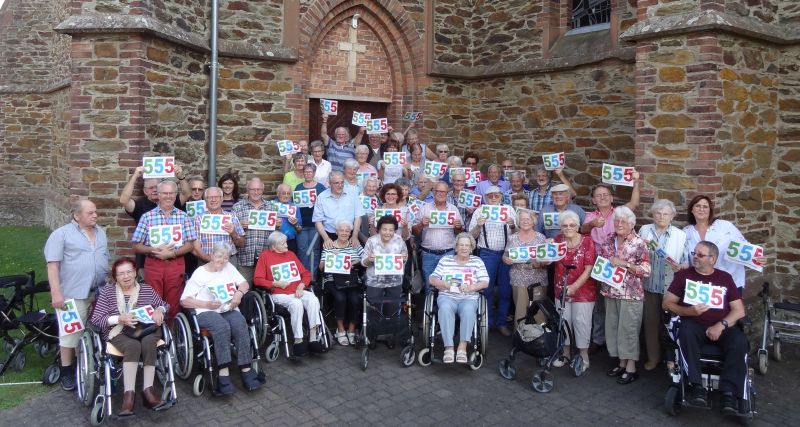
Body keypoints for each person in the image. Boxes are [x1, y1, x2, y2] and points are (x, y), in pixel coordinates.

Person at [662, 241, 748, 414]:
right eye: (694, 253)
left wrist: (721, 325)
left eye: (700, 255)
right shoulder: (684, 276)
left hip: (721, 326)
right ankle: (696, 385)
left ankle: (729, 392)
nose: (695, 256)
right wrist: (688, 311)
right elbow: (667, 303)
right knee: (685, 333)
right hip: (693, 324)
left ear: (712, 259)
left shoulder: (724, 278)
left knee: (739, 341)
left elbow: (739, 311)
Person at [44, 199, 109, 391]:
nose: (95, 215)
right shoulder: (61, 235)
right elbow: (52, 265)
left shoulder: (101, 233)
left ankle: (90, 363)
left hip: (98, 292)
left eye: (95, 212)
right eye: (90, 213)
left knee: (100, 328)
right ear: (77, 215)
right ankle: (66, 371)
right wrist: (56, 294)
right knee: (70, 334)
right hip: (72, 294)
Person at [180, 243, 263, 394]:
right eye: (219, 256)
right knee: (221, 327)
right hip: (206, 311)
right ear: (211, 255)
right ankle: (223, 373)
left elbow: (244, 284)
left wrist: (239, 294)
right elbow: (184, 300)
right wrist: (206, 303)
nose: (222, 260)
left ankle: (246, 368)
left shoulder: (229, 268)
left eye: (226, 257)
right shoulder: (200, 273)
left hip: (227, 308)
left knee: (240, 324)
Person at [90, 258, 168, 414]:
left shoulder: (146, 289)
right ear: (115, 277)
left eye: (129, 272)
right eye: (121, 274)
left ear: (135, 273)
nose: (126, 276)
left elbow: (163, 304)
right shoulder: (108, 292)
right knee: (133, 346)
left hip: (147, 330)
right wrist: (119, 319)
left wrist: (160, 309)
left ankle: (148, 392)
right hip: (119, 330)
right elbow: (97, 319)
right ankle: (129, 396)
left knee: (147, 343)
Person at [581, 176, 640, 352]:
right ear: (593, 200)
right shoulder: (590, 216)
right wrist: (592, 224)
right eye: (598, 195)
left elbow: (634, 203)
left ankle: (617, 343)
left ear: (612, 198)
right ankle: (599, 339)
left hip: (620, 264)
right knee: (600, 304)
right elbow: (582, 230)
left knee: (618, 304)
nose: (603, 198)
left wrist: (636, 182)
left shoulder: (620, 213)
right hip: (599, 265)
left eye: (606, 194)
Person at [598, 207, 651, 385]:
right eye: (617, 221)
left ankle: (631, 368)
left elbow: (646, 270)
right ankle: (621, 363)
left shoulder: (639, 243)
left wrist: (624, 264)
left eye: (624, 222)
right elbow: (603, 261)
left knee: (628, 330)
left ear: (632, 224)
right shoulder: (608, 239)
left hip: (630, 293)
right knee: (613, 328)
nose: (619, 224)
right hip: (610, 290)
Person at [132, 181, 198, 320]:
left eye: (171, 193)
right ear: (159, 195)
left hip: (176, 263)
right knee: (153, 300)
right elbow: (136, 245)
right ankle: (156, 335)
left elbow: (190, 244)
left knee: (173, 301)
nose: (168, 196)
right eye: (164, 193)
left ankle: (172, 335)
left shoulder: (183, 216)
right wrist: (153, 249)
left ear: (175, 195)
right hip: (153, 263)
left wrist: (172, 253)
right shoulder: (147, 217)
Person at [253, 232, 325, 357]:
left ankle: (313, 338)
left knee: (313, 299)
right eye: (283, 243)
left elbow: (306, 274)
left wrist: (301, 285)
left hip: (298, 290)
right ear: (273, 247)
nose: (287, 245)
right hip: (280, 293)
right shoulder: (265, 256)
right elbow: (257, 280)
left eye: (286, 242)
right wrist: (275, 283)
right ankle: (298, 341)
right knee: (296, 304)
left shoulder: (291, 254)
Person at [638, 199, 688, 371]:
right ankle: (653, 358)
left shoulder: (680, 235)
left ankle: (671, 359)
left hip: (670, 288)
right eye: (658, 213)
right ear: (652, 214)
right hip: (649, 284)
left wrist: (681, 266)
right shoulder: (644, 230)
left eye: (666, 214)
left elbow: (687, 262)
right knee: (650, 324)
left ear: (672, 216)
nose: (661, 217)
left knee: (670, 325)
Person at [428, 233, 490, 363]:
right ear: (456, 247)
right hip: (447, 296)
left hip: (468, 297)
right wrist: (445, 284)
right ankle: (449, 347)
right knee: (444, 308)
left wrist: (471, 287)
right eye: (461, 245)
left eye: (467, 245)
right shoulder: (445, 260)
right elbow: (432, 278)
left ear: (471, 248)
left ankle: (462, 347)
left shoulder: (477, 262)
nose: (464, 248)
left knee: (468, 311)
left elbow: (485, 282)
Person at [683, 195, 767, 290]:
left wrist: (757, 258)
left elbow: (744, 246)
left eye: (705, 206)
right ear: (692, 210)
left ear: (710, 210)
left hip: (731, 281)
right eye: (697, 206)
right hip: (703, 286)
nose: (701, 209)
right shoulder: (686, 233)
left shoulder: (724, 226)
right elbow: (685, 260)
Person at [468, 185, 517, 336]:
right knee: (486, 289)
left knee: (505, 290)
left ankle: (501, 322)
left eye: (497, 195)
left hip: (507, 253)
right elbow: (472, 236)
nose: (494, 198)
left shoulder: (509, 210)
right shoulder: (479, 211)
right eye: (490, 196)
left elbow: (517, 234)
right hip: (487, 253)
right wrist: (478, 225)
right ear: (485, 198)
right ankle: (487, 322)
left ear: (501, 196)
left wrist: (513, 225)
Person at [553, 211, 597, 371]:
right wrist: (545, 251)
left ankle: (583, 356)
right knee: (563, 322)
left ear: (578, 226)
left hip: (584, 291)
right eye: (564, 225)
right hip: (561, 288)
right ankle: (565, 354)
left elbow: (589, 269)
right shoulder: (557, 241)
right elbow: (547, 260)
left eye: (572, 225)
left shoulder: (588, 242)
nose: (568, 228)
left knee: (582, 323)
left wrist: (575, 287)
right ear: (560, 227)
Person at [412, 181, 464, 294]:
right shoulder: (424, 208)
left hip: (448, 253)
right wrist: (421, 224)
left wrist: (458, 227)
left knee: (448, 287)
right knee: (429, 287)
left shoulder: (453, 209)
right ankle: (430, 311)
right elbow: (414, 231)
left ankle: (444, 310)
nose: (440, 194)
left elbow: (459, 232)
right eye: (438, 191)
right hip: (428, 254)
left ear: (447, 193)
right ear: (433, 192)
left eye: (443, 192)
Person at [320, 220, 363, 346]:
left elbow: (366, 258)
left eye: (347, 231)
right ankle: (340, 330)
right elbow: (321, 267)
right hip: (333, 279)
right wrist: (331, 259)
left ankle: (351, 330)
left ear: (350, 233)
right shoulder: (329, 245)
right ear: (336, 232)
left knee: (355, 299)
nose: (344, 233)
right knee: (340, 298)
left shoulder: (354, 244)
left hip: (352, 279)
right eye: (341, 230)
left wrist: (353, 262)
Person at [502, 208, 548, 326]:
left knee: (538, 312)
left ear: (533, 221)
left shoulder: (541, 238)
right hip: (519, 278)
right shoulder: (512, 238)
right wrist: (506, 259)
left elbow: (546, 259)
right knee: (521, 311)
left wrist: (543, 262)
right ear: (518, 221)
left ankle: (540, 339)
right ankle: (521, 339)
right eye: (522, 219)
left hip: (538, 278)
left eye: (528, 219)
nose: (525, 221)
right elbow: (505, 255)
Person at [361, 216, 409, 313]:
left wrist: (404, 258)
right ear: (379, 229)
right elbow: (363, 262)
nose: (388, 233)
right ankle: (374, 328)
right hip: (374, 281)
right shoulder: (371, 241)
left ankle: (391, 328)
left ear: (395, 230)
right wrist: (368, 259)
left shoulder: (399, 240)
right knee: (373, 311)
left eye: (391, 230)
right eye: (385, 229)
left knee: (393, 310)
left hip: (395, 280)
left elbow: (404, 258)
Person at [232, 177, 275, 284]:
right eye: (253, 189)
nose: (256, 192)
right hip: (245, 258)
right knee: (244, 291)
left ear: (263, 190)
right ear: (247, 190)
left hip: (266, 258)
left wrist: (278, 226)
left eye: (258, 189)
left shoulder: (271, 207)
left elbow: (276, 234)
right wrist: (238, 226)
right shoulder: (237, 207)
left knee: (266, 291)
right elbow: (231, 232)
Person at [192, 186, 245, 264]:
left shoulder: (232, 217)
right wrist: (211, 260)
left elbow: (242, 244)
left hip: (229, 261)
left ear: (222, 199)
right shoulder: (198, 219)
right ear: (205, 200)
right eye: (210, 197)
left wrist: (233, 233)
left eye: (216, 197)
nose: (213, 200)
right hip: (205, 261)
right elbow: (194, 248)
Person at [313, 171, 364, 249]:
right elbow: (318, 221)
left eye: (342, 182)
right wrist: (326, 238)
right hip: (329, 236)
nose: (340, 185)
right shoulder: (321, 197)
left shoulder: (352, 194)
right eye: (336, 183)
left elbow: (358, 216)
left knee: (353, 260)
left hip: (350, 235)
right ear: (330, 184)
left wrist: (354, 236)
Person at [295, 164, 327, 277]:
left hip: (316, 225)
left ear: (314, 173)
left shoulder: (321, 188)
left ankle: (313, 275)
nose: (308, 174)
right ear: (303, 173)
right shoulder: (298, 187)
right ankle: (304, 276)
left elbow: (325, 205)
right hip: (302, 224)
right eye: (306, 172)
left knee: (314, 249)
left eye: (310, 172)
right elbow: (295, 206)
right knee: (302, 249)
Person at [273, 183, 303, 254]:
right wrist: (276, 225)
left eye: (288, 193)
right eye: (283, 193)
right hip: (274, 242)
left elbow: (300, 230)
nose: (286, 196)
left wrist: (295, 224)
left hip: (290, 242)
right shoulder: (271, 206)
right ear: (278, 194)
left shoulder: (295, 207)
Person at [357, 177, 381, 244]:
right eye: (369, 186)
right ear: (364, 187)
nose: (371, 188)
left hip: (375, 229)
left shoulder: (378, 198)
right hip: (361, 229)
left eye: (374, 186)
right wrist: (366, 220)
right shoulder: (357, 197)